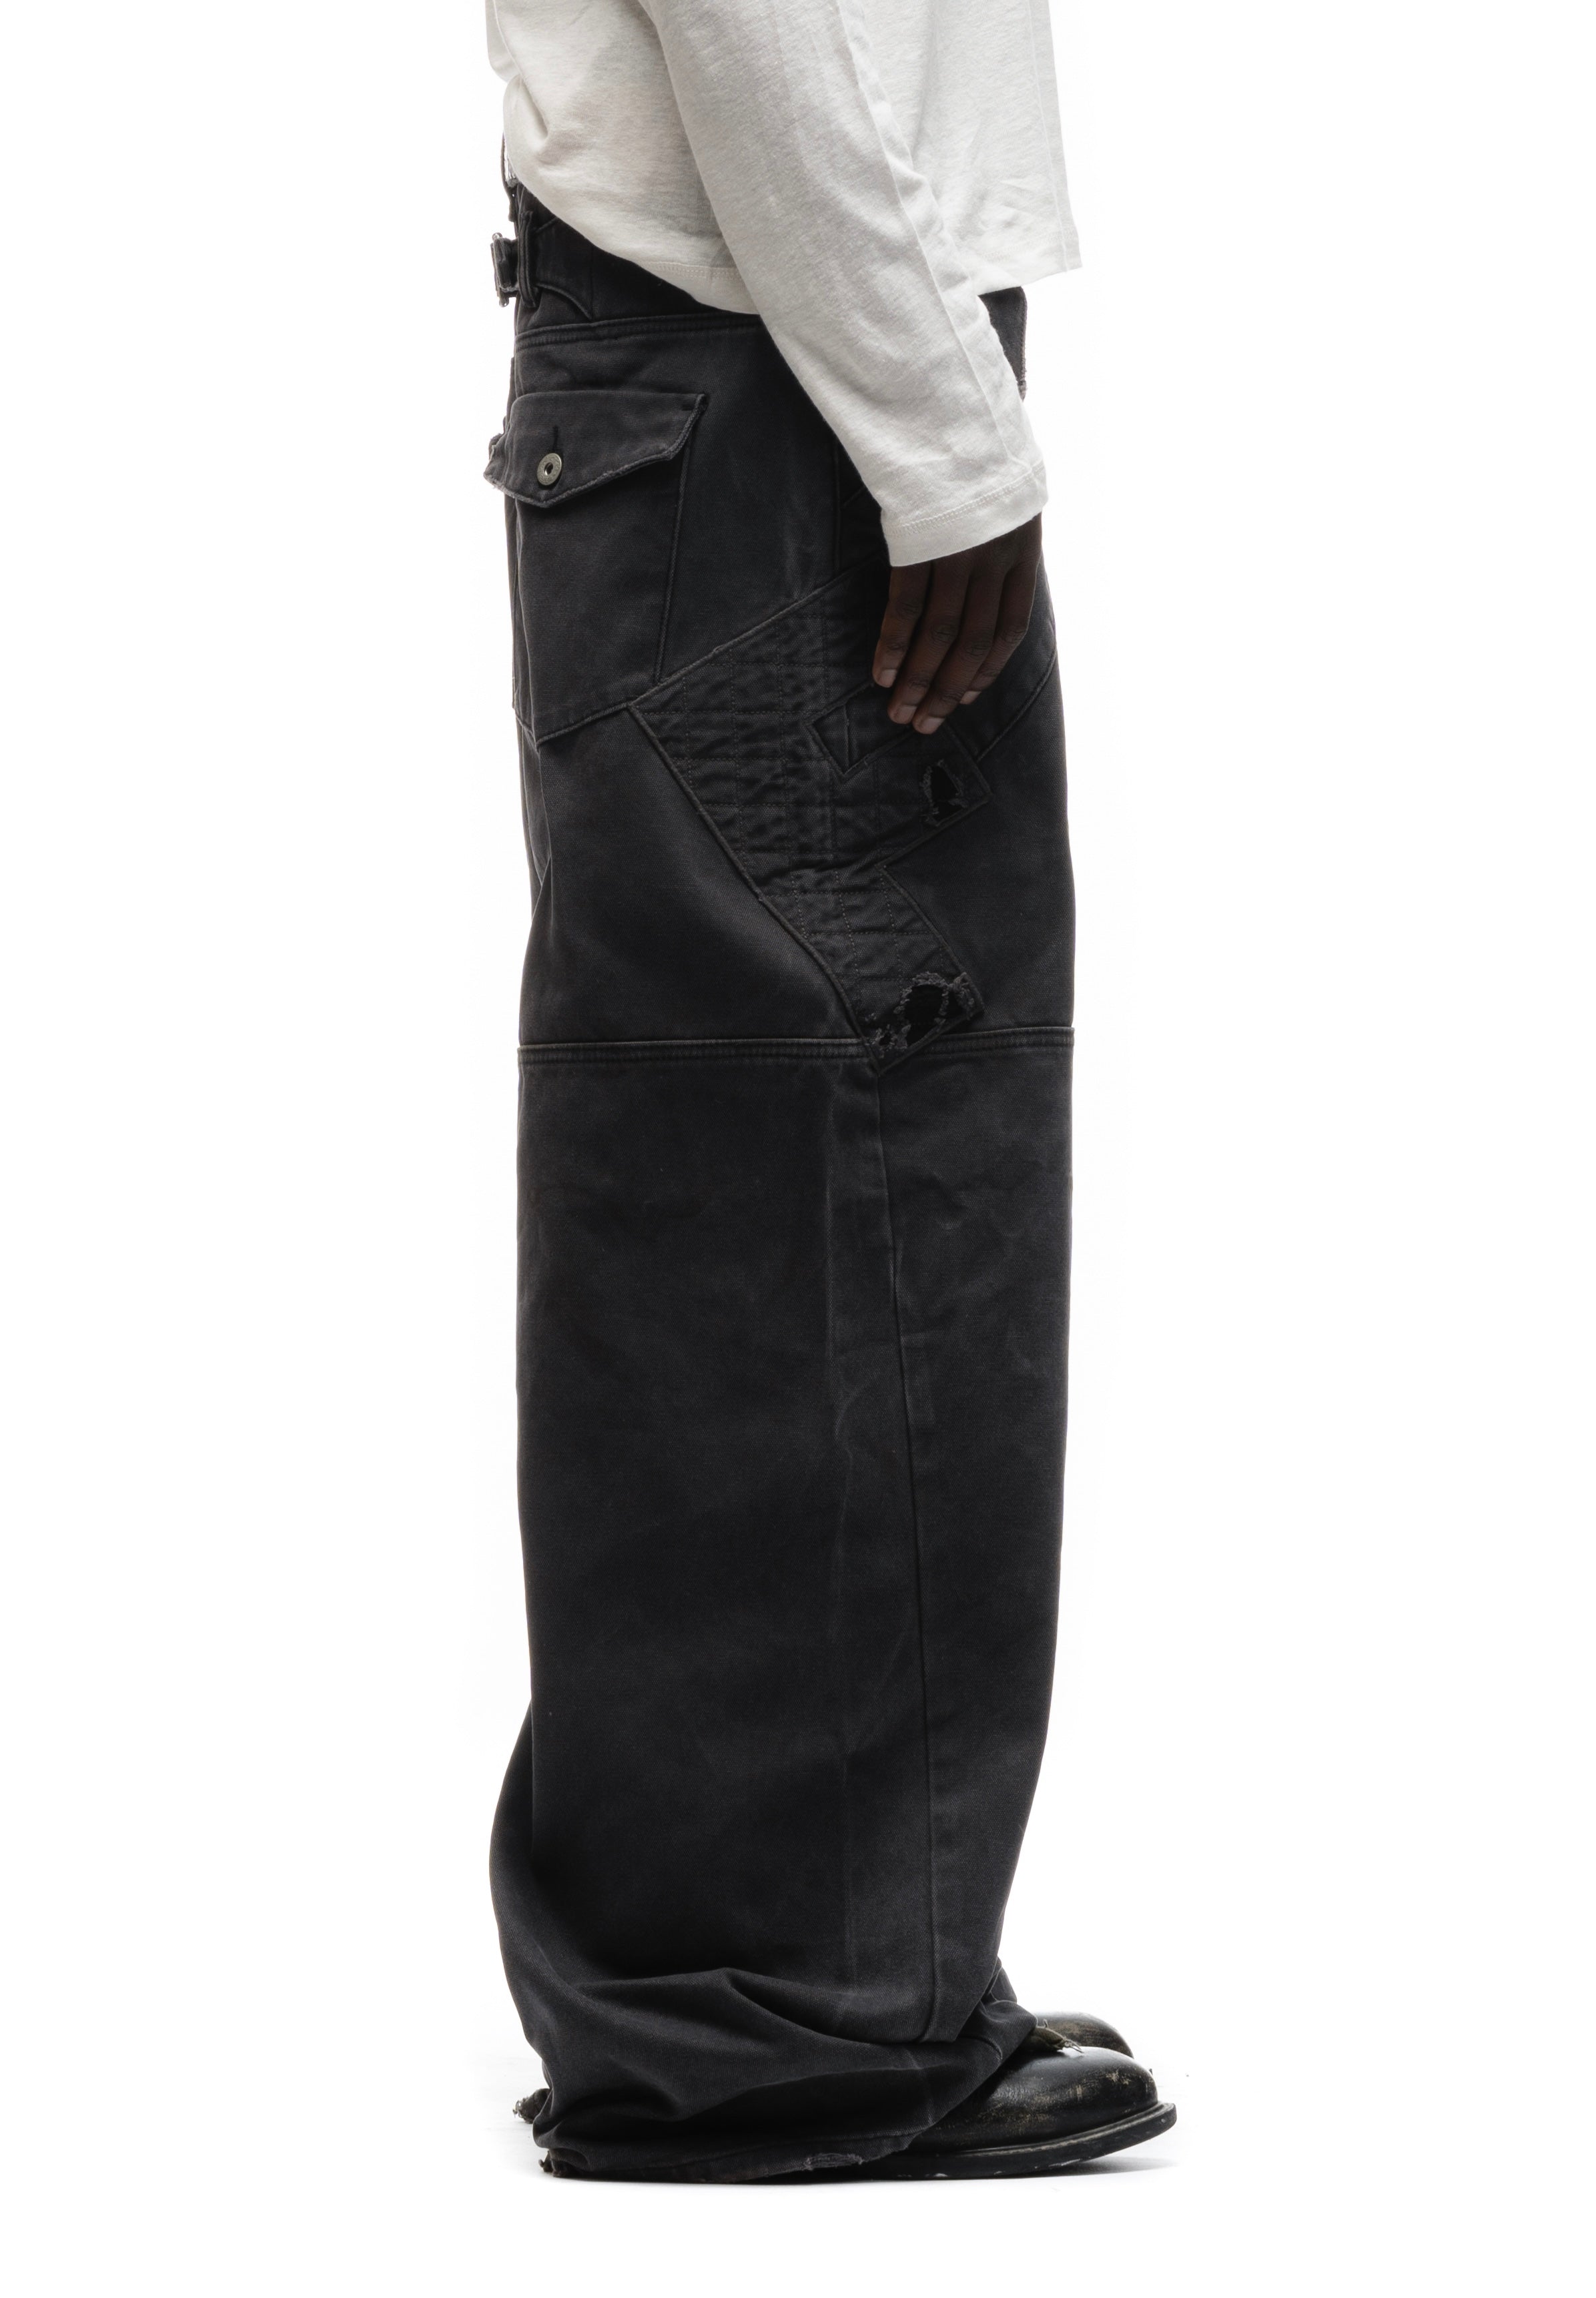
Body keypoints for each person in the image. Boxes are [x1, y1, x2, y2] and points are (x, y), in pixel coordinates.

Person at [482, 0, 1174, 2181]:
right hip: (783, 349)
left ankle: (795, 1968)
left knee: (762, 1163)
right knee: (837, 1158)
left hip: (764, 335)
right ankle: (776, 2015)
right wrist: (940, 433)